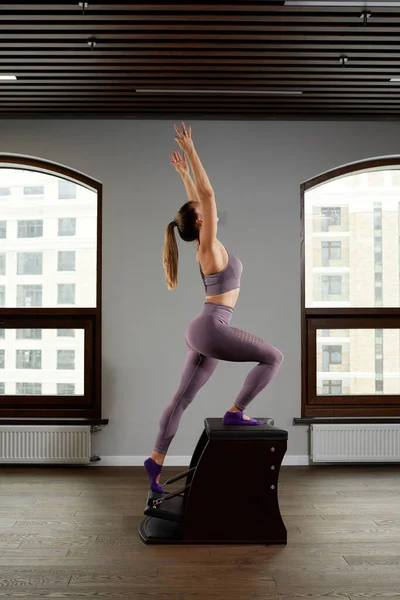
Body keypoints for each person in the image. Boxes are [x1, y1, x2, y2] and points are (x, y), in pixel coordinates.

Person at [144, 122, 283, 493]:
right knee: (274, 357)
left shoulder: (207, 243)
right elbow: (206, 193)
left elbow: (197, 199)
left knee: (181, 399)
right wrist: (191, 150)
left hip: (202, 329)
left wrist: (184, 174)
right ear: (201, 221)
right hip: (212, 328)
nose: (210, 209)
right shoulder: (207, 247)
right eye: (204, 211)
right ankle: (236, 412)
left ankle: (154, 462)